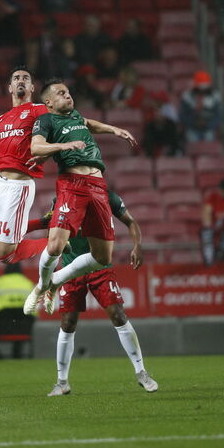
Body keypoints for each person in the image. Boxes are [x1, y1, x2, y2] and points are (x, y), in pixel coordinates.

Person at [22, 78, 139, 315]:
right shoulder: (45, 120)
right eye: (61, 93)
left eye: (68, 92)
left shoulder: (75, 116)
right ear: (48, 102)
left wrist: (113, 129)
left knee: (102, 256)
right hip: (72, 185)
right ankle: (42, 286)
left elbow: (87, 123)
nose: (68, 96)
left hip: (98, 186)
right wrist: (61, 147)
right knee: (55, 246)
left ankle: (54, 281)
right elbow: (36, 147)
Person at [30, 192, 158, 395]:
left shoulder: (106, 196)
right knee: (68, 322)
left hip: (100, 266)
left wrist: (137, 246)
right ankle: (62, 382)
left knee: (117, 314)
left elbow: (131, 222)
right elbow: (52, 239)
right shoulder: (62, 199)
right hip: (71, 269)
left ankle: (141, 372)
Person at [0, 67, 50, 265]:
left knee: (4, 254)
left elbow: (57, 130)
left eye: (25, 78)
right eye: (16, 78)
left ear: (31, 87)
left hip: (17, 186)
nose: (20, 80)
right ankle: (43, 223)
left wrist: (47, 153)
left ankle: (54, 241)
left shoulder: (40, 110)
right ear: (10, 88)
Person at [0, 263, 35, 360]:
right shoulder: (28, 284)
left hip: (2, 327)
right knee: (21, 319)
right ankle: (17, 356)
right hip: (25, 328)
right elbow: (34, 312)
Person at [179, 71, 222, 143]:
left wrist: (208, 125)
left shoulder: (215, 96)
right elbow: (182, 116)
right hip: (192, 128)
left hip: (208, 128)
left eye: (204, 88)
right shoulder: (187, 96)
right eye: (200, 88)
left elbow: (218, 116)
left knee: (208, 141)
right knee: (192, 141)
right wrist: (194, 124)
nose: (202, 90)